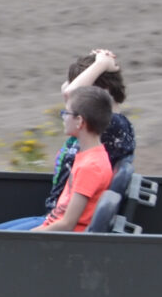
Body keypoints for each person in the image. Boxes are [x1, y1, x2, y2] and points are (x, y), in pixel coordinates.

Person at [0, 86, 113, 232]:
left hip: (56, 240)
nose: (63, 117)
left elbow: (67, 224)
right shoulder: (90, 156)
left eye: (66, 113)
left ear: (79, 121)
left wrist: (26, 237)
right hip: (49, 226)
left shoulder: (91, 167)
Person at [39, 49, 134, 219]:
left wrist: (100, 64)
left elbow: (70, 93)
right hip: (54, 216)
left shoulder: (112, 124)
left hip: (62, 221)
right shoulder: (101, 122)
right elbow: (68, 90)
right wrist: (94, 64)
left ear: (101, 91)